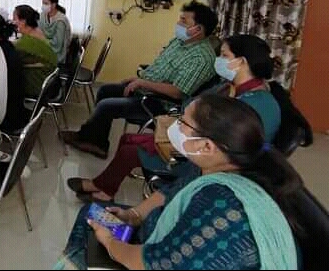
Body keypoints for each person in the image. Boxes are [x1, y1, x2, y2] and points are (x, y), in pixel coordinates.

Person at [58, 94, 302, 270]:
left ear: (207, 145)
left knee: (91, 240)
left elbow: (153, 264)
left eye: (183, 123)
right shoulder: (211, 165)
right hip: (158, 239)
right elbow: (168, 193)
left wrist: (110, 243)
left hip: (152, 258)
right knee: (92, 212)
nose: (174, 127)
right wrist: (132, 215)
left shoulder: (220, 206)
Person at [67, 34, 282, 203]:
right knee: (126, 140)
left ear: (241, 62)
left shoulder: (260, 104)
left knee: (131, 149)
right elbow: (192, 105)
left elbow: (226, 147)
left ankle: (103, 189)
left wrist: (194, 120)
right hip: (193, 140)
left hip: (207, 162)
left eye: (224, 56)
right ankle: (104, 186)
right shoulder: (230, 87)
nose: (219, 61)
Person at [61, 1, 218, 159]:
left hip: (161, 103)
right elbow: (160, 68)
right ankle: (93, 138)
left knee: (106, 106)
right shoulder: (180, 42)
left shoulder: (201, 58)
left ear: (197, 29)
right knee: (104, 90)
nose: (178, 23)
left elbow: (177, 92)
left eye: (184, 21)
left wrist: (143, 83)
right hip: (147, 89)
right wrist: (138, 79)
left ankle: (94, 141)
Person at [13, 4, 58, 99]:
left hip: (37, 85)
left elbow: (9, 59)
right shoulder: (37, 32)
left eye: (15, 19)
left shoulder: (24, 44)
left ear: (23, 21)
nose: (13, 22)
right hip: (50, 83)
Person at [39, 0, 72, 64]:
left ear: (53, 5)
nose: (43, 6)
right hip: (45, 48)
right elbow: (38, 31)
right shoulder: (42, 16)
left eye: (46, 3)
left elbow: (57, 44)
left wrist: (42, 39)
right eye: (43, 3)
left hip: (57, 54)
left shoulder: (61, 20)